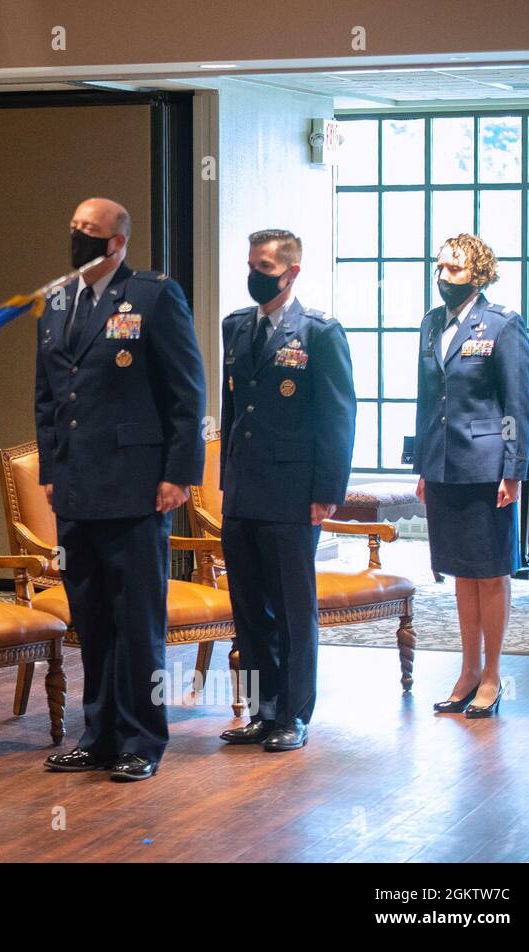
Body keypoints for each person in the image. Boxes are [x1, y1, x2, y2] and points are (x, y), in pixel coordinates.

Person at [36, 198, 205, 782]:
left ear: (118, 243)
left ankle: (141, 739)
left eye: (90, 232)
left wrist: (179, 475)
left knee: (137, 621)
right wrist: (52, 473)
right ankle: (98, 732)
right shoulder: (57, 298)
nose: (78, 237)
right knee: (93, 617)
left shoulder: (155, 296)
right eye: (74, 227)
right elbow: (49, 397)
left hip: (136, 487)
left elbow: (188, 393)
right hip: (77, 485)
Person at [217, 230, 357, 752]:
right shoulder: (236, 326)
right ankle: (260, 710)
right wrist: (227, 479)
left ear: (292, 271)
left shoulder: (319, 332)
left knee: (293, 610)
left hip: (295, 492)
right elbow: (233, 411)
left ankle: (293, 716)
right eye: (252, 263)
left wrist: (327, 490)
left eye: (266, 266)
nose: (256, 274)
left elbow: (337, 415)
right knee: (250, 609)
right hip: (245, 491)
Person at [415, 233, 529, 719]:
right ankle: (466, 671)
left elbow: (516, 404)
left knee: (490, 574)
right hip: (443, 465)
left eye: (454, 270)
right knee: (461, 573)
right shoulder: (430, 324)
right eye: (439, 268)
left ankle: (492, 675)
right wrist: (422, 464)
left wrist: (514, 469)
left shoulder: (502, 325)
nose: (443, 278)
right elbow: (427, 400)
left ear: (479, 274)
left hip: (486, 468)